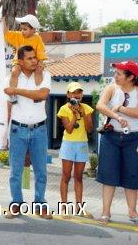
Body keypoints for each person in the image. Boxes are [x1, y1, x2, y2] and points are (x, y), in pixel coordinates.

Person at [3, 45, 52, 219]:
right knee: (15, 171)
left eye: (35, 57)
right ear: (20, 61)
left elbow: (41, 95)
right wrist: (15, 79)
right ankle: (16, 204)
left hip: (40, 129)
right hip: (18, 130)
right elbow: (10, 98)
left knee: (41, 171)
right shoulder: (11, 77)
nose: (34, 60)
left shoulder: (45, 75)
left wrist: (16, 90)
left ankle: (40, 204)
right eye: (30, 58)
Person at [96, 60, 138, 224]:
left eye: (119, 74)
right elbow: (100, 105)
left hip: (133, 138)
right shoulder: (111, 88)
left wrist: (120, 108)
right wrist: (118, 117)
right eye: (116, 73)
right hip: (111, 137)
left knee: (133, 176)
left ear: (131, 77)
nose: (115, 76)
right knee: (108, 175)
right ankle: (106, 212)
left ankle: (132, 212)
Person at [57, 82, 94, 218]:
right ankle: (64, 208)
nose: (76, 95)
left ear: (82, 94)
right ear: (68, 95)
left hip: (82, 144)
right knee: (66, 176)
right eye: (73, 92)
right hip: (68, 144)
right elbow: (69, 129)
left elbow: (90, 129)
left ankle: (79, 208)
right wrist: (73, 115)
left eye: (79, 92)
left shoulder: (87, 108)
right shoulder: (63, 109)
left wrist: (83, 114)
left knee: (78, 177)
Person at [2, 14, 47, 104]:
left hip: (33, 62)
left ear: (33, 30)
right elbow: (6, 33)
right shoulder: (18, 36)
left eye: (25, 29)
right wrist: (3, 21)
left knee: (39, 71)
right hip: (19, 61)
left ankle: (37, 92)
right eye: (21, 29)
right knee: (15, 71)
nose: (22, 31)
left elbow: (40, 51)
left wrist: (41, 62)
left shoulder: (37, 38)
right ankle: (13, 94)